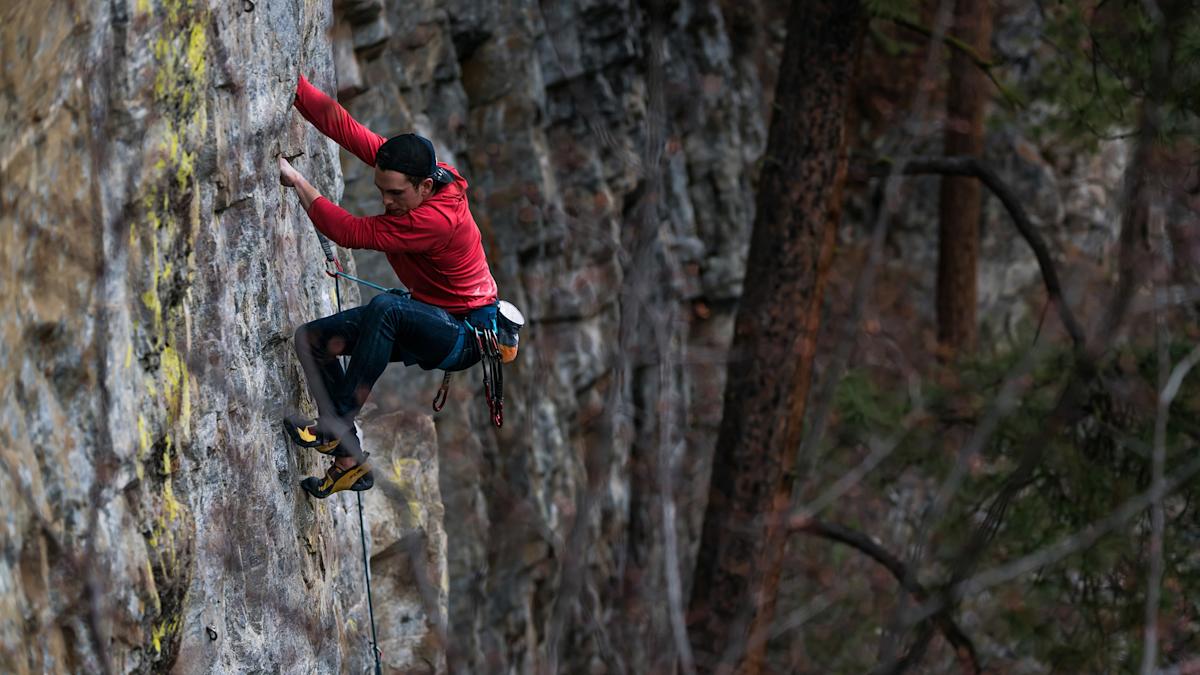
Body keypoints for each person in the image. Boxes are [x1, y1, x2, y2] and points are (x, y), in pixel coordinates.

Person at [279, 75, 498, 499]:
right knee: (313, 340)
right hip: (431, 314)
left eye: (396, 194)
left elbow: (348, 231)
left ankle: (335, 424)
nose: (387, 202)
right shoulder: (419, 176)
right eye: (382, 191)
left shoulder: (435, 220)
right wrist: (293, 86)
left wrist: (297, 180)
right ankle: (348, 462)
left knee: (388, 310)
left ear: (425, 187)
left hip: (462, 334)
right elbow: (348, 129)